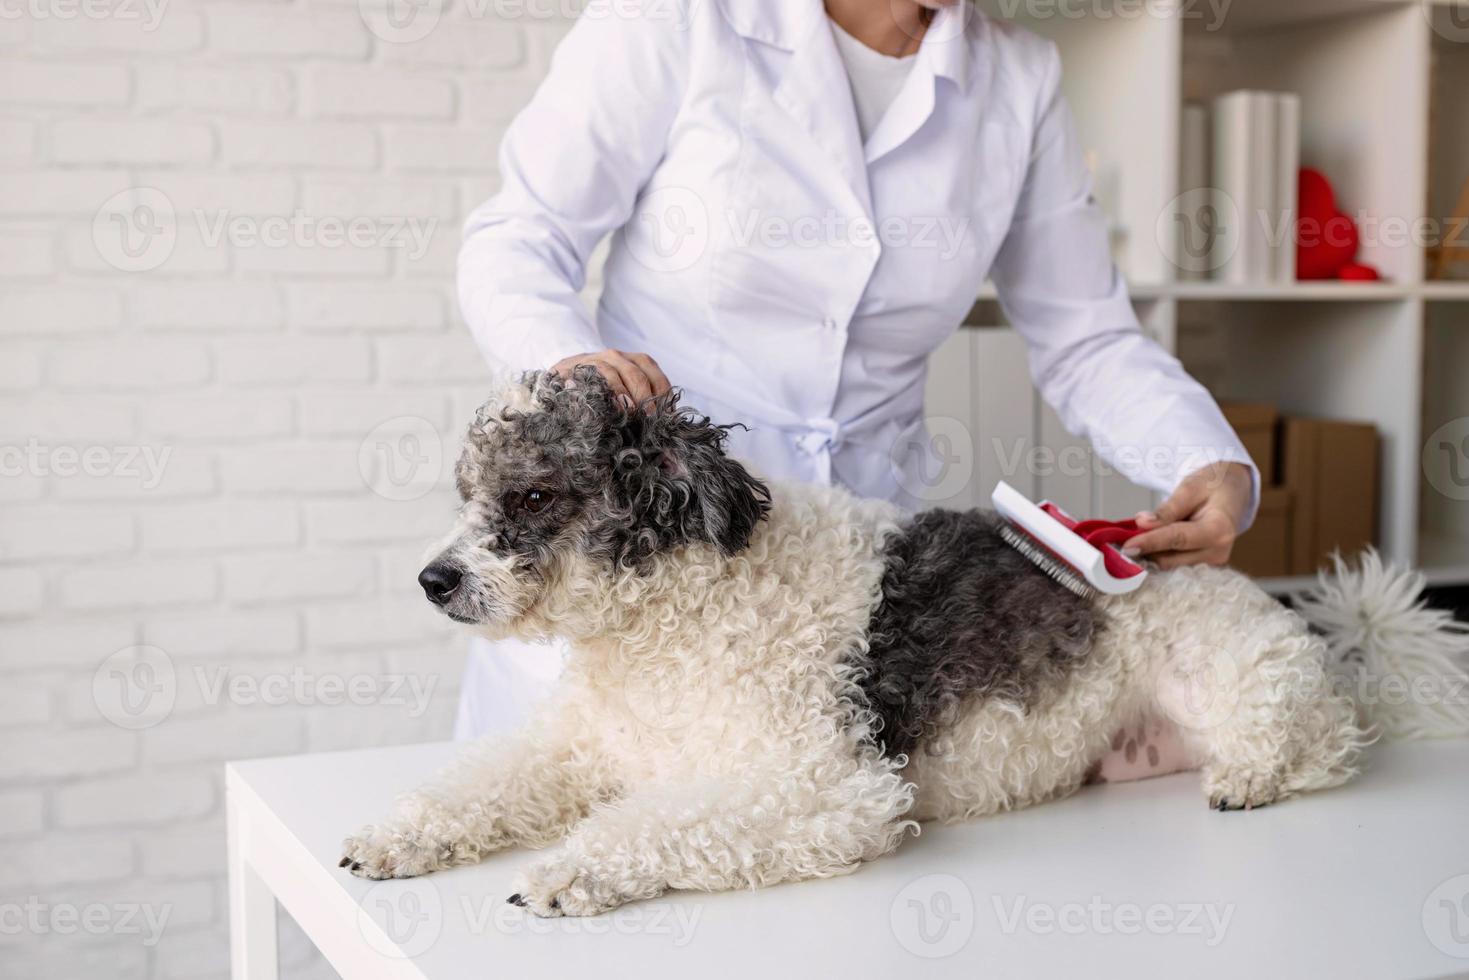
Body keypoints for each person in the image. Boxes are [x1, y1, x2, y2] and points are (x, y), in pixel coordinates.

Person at [453, 0, 1258, 781]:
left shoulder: (1017, 74)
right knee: (563, 853)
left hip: (856, 591)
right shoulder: (676, 18)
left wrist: (1210, 462)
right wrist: (569, 365)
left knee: (805, 852)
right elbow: (519, 237)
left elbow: (1086, 337)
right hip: (645, 557)